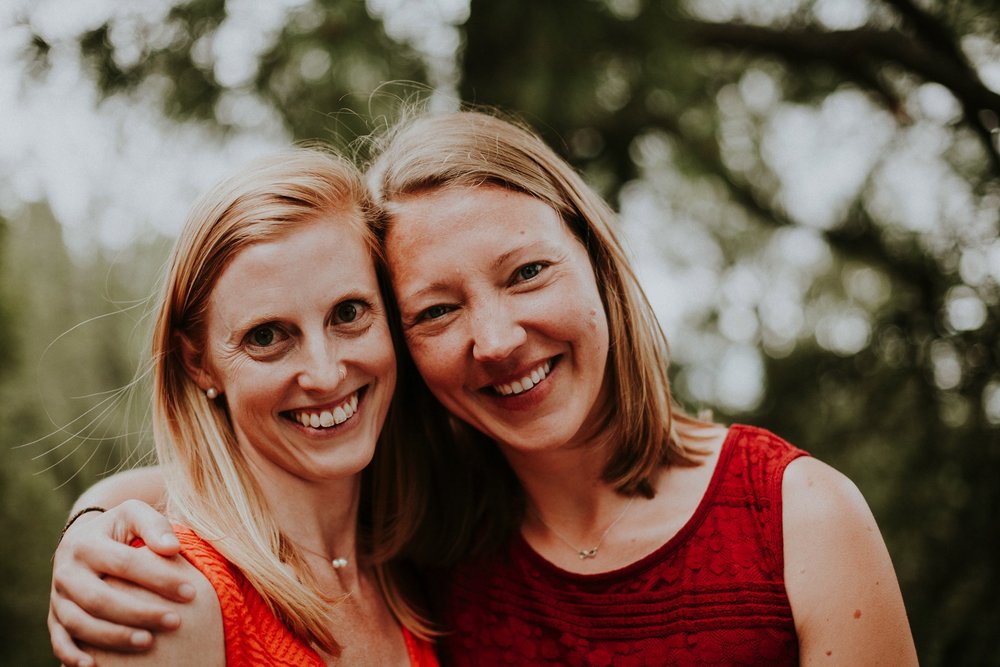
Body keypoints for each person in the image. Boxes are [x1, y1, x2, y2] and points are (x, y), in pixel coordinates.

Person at [49, 111, 918, 666]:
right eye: (436, 310)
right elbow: (255, 490)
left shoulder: (795, 516)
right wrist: (99, 519)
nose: (497, 341)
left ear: (598, 260)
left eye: (528, 271)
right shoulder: (440, 532)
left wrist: (99, 515)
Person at [49, 146, 439, 666]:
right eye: (267, 336)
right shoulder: (169, 593)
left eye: (349, 312)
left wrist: (92, 509)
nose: (324, 374)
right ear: (198, 364)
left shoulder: (408, 562)